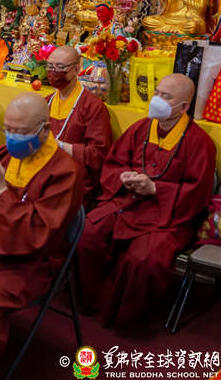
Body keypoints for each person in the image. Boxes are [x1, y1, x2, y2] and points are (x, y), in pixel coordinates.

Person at [0, 93, 82, 374]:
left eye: (20, 132)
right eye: (7, 129)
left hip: (25, 263)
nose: (12, 138)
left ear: (44, 130)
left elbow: (39, 233)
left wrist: (0, 191)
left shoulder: (65, 172)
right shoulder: (3, 154)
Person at [77, 73, 217, 328]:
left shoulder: (200, 143)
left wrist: (155, 188)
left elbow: (197, 193)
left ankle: (122, 317)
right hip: (126, 201)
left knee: (143, 260)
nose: (157, 100)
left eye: (166, 96)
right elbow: (114, 162)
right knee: (86, 234)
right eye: (156, 93)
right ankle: (88, 302)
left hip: (168, 215)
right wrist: (124, 177)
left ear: (183, 107)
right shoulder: (140, 128)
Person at [43, 45, 113, 208]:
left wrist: (61, 146)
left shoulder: (92, 106)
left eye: (60, 67)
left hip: (74, 181)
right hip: (44, 173)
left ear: (76, 68)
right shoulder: (46, 102)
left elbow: (98, 154)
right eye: (50, 66)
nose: (54, 72)